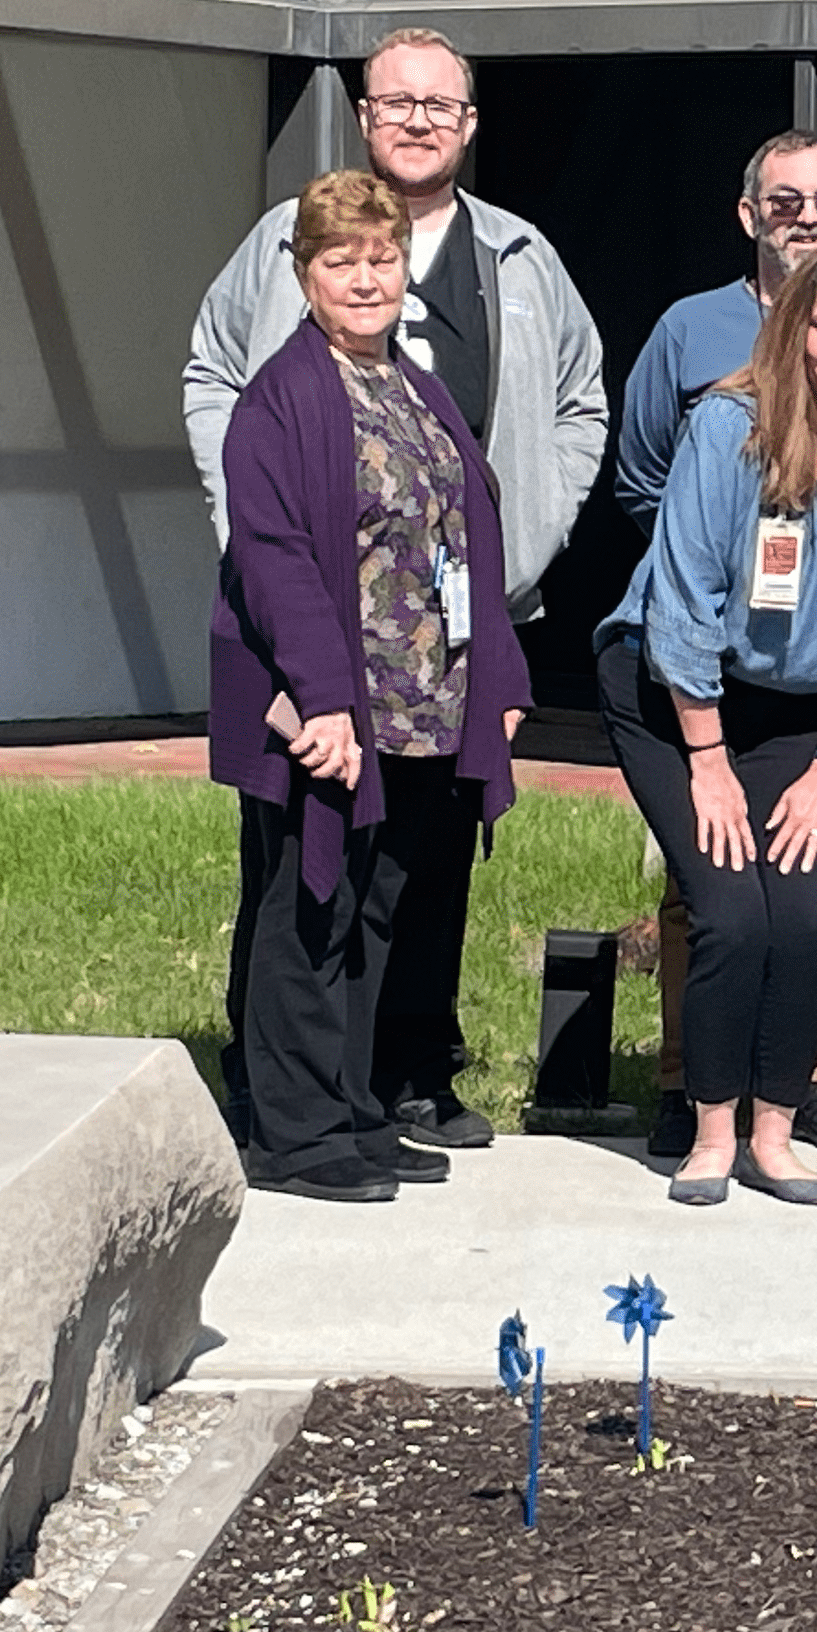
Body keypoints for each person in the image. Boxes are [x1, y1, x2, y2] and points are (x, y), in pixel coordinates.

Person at [183, 26, 606, 1152]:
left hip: (439, 659)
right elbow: (216, 388)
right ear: (365, 115)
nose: (418, 120)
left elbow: (562, 416)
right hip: (317, 658)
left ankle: (383, 1087)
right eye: (397, 101)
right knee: (305, 886)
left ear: (469, 125)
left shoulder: (508, 270)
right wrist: (248, 522)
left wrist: (524, 566)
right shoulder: (285, 264)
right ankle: (288, 1106)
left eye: (441, 105)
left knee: (399, 884)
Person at [204, 170, 530, 1204]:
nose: (364, 279)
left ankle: (352, 1107)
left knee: (380, 913)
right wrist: (326, 699)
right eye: (340, 261)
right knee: (310, 910)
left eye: (381, 259)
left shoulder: (413, 384)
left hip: (424, 707)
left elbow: (466, 528)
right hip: (330, 709)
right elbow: (273, 559)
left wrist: (502, 677)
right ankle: (292, 1137)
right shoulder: (280, 403)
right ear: (304, 276)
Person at [598, 242, 817, 1210]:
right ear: (793, 332)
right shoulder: (727, 430)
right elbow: (683, 602)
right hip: (673, 689)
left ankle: (776, 1135)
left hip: (806, 709)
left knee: (803, 914)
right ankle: (711, 1131)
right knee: (731, 911)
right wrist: (707, 761)